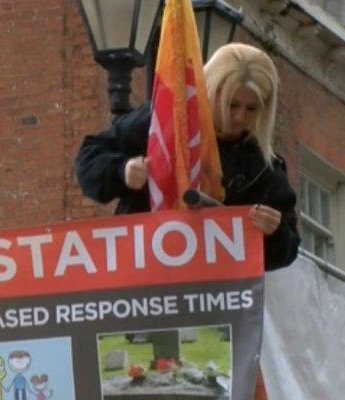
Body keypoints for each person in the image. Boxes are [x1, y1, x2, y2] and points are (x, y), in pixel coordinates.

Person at [75, 43, 300, 271]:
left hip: (210, 291)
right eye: (232, 105)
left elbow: (287, 250)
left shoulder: (263, 166)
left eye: (252, 109)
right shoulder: (163, 120)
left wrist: (274, 232)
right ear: (211, 91)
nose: (239, 117)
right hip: (140, 275)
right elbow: (88, 159)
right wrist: (121, 170)